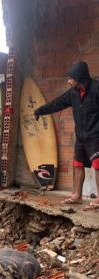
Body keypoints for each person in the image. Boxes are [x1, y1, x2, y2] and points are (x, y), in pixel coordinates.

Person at [34, 61, 99, 209]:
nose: (68, 81)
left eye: (70, 78)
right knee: (78, 164)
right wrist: (39, 111)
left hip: (95, 136)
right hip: (81, 137)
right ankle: (77, 195)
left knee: (98, 165)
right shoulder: (73, 93)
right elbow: (57, 103)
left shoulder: (96, 89)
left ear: (79, 77)